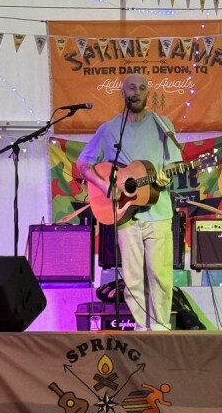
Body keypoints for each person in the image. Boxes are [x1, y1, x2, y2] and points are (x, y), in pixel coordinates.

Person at [77, 74, 182, 331]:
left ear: (148, 93)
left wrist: (166, 175)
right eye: (132, 88)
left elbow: (175, 162)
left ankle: (160, 329)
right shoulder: (110, 128)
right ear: (123, 93)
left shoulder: (162, 124)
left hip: (159, 214)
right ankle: (141, 329)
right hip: (125, 216)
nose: (137, 92)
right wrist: (105, 185)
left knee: (160, 276)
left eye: (142, 88)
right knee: (133, 280)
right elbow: (83, 164)